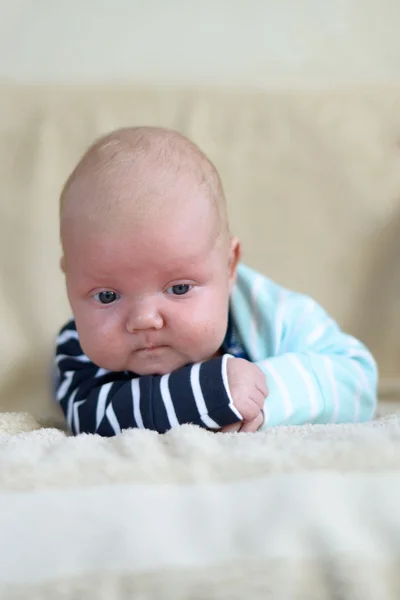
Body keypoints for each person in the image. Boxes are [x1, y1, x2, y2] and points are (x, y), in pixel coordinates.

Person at [55, 126, 377, 436]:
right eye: (107, 296)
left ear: (229, 266)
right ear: (71, 282)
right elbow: (91, 417)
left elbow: (357, 380)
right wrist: (211, 392)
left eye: (179, 288)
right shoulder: (77, 345)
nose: (144, 319)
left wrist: (265, 392)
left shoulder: (271, 314)